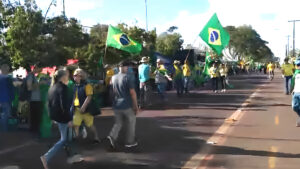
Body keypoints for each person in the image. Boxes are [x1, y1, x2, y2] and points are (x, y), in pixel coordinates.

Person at [40, 69, 82, 169]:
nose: (68, 77)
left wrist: (52, 117)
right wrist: (69, 120)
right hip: (63, 117)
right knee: (64, 139)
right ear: (63, 77)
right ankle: (46, 157)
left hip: (57, 116)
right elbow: (64, 106)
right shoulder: (63, 88)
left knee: (68, 137)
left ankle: (73, 156)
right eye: (67, 75)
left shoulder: (52, 87)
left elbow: (49, 104)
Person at [106, 60, 139, 149]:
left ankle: (112, 136)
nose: (128, 68)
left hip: (116, 104)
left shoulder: (113, 77)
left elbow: (111, 91)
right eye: (127, 67)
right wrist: (135, 105)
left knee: (118, 123)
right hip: (127, 104)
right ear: (125, 67)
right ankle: (130, 141)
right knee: (131, 122)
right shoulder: (128, 77)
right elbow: (132, 93)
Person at [71, 69, 100, 143]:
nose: (74, 77)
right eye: (74, 75)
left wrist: (83, 107)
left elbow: (89, 97)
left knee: (90, 125)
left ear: (81, 76)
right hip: (77, 109)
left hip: (86, 110)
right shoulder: (74, 86)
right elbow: (74, 96)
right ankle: (75, 139)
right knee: (76, 124)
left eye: (76, 75)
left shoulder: (87, 85)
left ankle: (96, 137)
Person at [26, 65, 43, 135]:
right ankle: (33, 130)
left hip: (36, 99)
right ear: (36, 68)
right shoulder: (30, 76)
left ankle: (34, 129)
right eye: (40, 68)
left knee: (35, 116)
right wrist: (39, 84)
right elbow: (29, 87)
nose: (40, 70)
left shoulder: (34, 76)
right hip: (33, 99)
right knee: (34, 116)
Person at [0, 64, 14, 131]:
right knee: (5, 114)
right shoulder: (8, 78)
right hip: (6, 98)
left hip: (2, 98)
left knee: (3, 114)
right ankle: (4, 129)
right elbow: (11, 89)